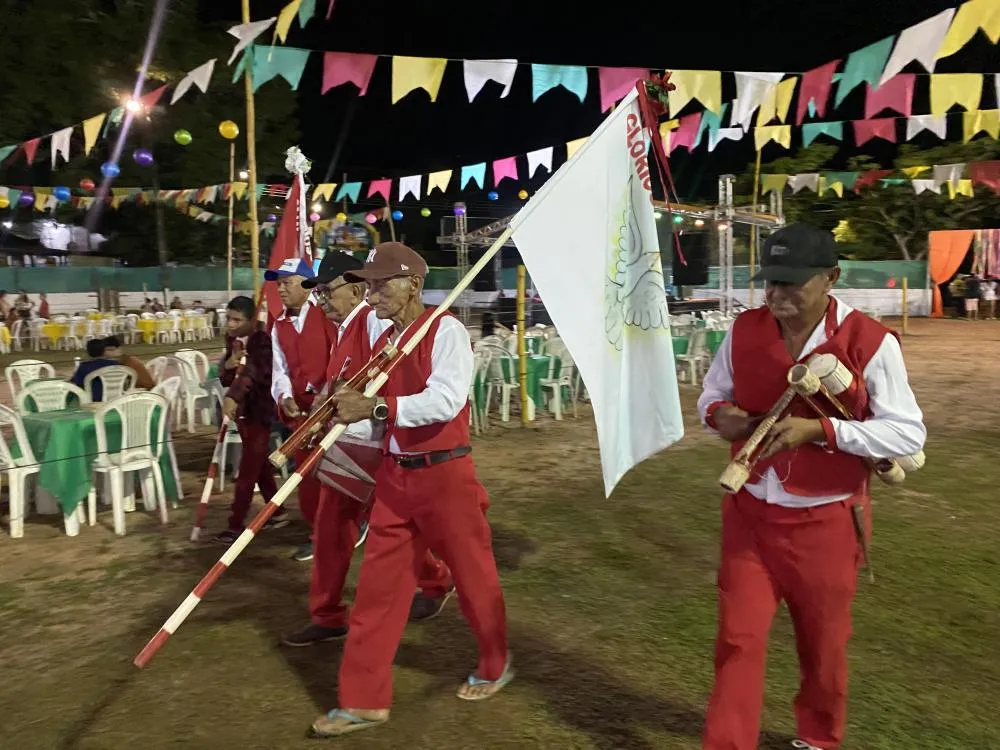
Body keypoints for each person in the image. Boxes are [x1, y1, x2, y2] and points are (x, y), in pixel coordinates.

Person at [697, 224, 926, 750]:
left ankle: (819, 738)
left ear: (831, 277)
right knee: (738, 639)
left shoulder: (869, 340)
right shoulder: (744, 330)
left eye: (791, 283)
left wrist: (822, 430)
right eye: (770, 281)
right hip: (751, 513)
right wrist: (718, 415)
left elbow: (908, 432)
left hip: (826, 521)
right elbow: (712, 392)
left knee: (822, 646)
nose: (776, 294)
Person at [310, 242, 511, 738]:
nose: (371, 292)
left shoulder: (446, 330)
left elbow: (444, 400)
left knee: (474, 578)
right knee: (377, 592)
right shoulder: (385, 342)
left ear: (413, 285)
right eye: (369, 282)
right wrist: (337, 426)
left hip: (446, 477)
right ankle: (363, 700)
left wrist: (375, 409)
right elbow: (377, 423)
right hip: (396, 477)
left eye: (382, 283)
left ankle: (494, 661)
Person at [280, 251, 456, 648]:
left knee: (399, 529)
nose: (321, 299)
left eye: (327, 291)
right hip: (350, 446)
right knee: (332, 527)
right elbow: (336, 385)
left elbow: (391, 380)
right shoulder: (343, 328)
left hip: (384, 447)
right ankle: (329, 614)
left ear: (357, 289)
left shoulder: (374, 321)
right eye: (317, 293)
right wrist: (317, 418)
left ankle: (432, 585)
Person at [268, 257, 336, 562]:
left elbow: (341, 356)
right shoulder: (278, 324)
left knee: (342, 471)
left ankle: (353, 524)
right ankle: (318, 534)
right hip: (300, 413)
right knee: (306, 476)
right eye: (278, 283)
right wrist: (283, 395)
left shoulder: (328, 316)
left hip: (332, 407)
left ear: (308, 286)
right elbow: (278, 368)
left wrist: (328, 393)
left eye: (287, 283)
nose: (280, 289)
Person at [214, 296, 288, 544]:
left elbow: (255, 374)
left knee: (247, 470)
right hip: (241, 414)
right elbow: (226, 378)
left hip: (260, 411)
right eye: (228, 318)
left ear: (251, 320)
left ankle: (235, 524)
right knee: (258, 467)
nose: (231, 324)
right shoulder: (232, 341)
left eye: (237, 320)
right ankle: (277, 511)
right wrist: (228, 364)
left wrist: (234, 395)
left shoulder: (262, 341)